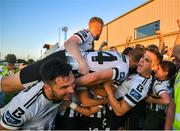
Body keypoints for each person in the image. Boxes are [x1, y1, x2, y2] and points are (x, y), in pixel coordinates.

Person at [76, 48, 163, 129]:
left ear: (154, 67)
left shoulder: (140, 85)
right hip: (104, 115)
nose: (142, 60)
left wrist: (107, 88)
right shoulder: (135, 72)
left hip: (112, 121)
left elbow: (120, 111)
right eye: (143, 57)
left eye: (147, 60)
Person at [0, 47, 145, 93]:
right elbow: (96, 77)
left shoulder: (116, 53)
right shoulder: (124, 68)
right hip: (65, 67)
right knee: (8, 85)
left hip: (63, 56)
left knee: (19, 81)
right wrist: (70, 84)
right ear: (138, 61)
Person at [0, 58, 75, 130]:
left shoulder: (56, 90)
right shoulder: (24, 107)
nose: (72, 90)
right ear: (47, 87)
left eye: (73, 83)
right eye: (64, 87)